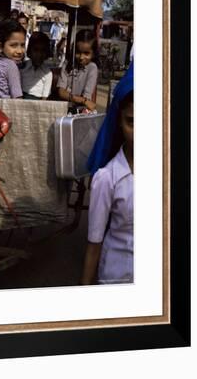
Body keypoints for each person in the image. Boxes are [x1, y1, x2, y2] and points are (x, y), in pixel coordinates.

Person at [81, 64, 134, 285]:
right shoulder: (108, 178)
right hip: (117, 279)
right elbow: (94, 243)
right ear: (119, 123)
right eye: (132, 121)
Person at [57, 29, 98, 111]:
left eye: (86, 53)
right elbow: (61, 92)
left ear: (93, 54)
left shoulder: (92, 68)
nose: (81, 57)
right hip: (64, 108)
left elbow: (87, 96)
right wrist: (81, 100)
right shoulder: (67, 64)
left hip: (80, 110)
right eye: (78, 52)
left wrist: (82, 100)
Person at [0, 18, 25, 99]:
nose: (20, 51)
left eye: (22, 45)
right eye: (13, 45)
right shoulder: (10, 66)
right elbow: (17, 99)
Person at [21, 31, 53, 100]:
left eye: (43, 51)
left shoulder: (48, 73)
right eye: (36, 50)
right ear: (30, 50)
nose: (39, 54)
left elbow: (44, 99)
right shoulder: (22, 67)